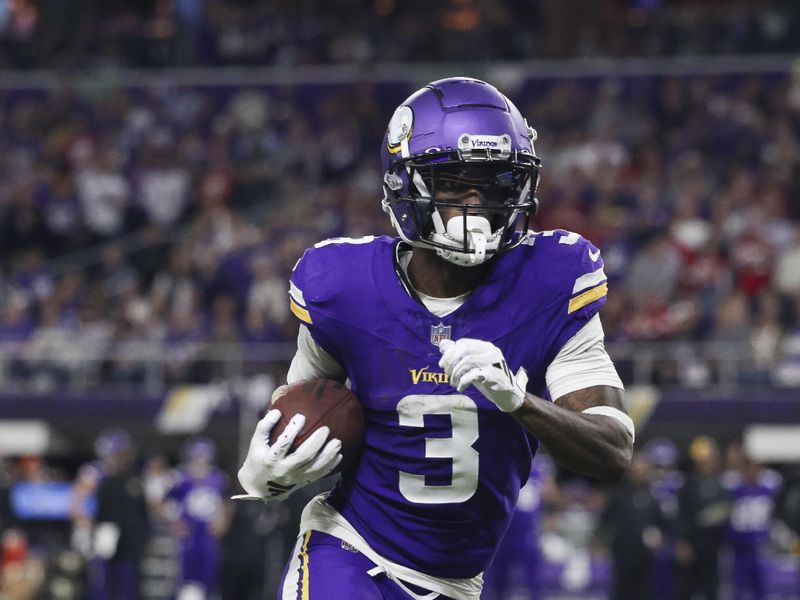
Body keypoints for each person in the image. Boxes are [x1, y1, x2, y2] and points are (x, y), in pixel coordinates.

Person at [235, 77, 634, 599]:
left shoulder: (553, 279)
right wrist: (264, 473)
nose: (476, 204)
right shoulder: (343, 286)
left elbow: (612, 450)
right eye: (454, 183)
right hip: (351, 549)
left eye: (493, 185)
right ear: (405, 185)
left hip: (457, 582)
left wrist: (519, 402)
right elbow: (302, 409)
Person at [164, 437, 231, 600]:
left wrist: (222, 522)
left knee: (210, 577)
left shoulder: (218, 478)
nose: (201, 461)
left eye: (204, 457)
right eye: (197, 457)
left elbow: (225, 503)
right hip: (189, 535)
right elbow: (163, 502)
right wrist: (174, 522)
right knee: (186, 579)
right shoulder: (180, 477)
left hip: (208, 535)